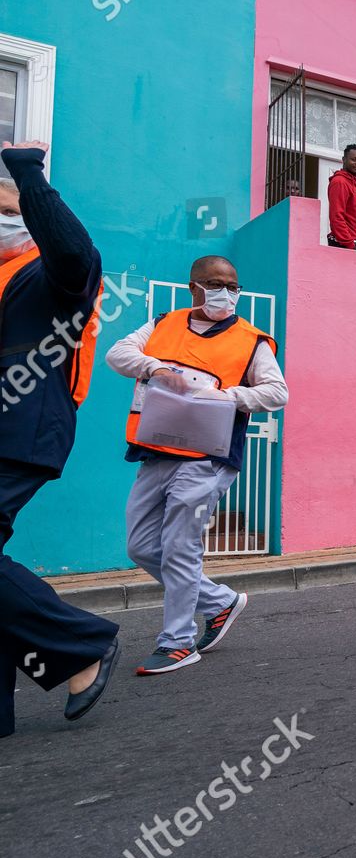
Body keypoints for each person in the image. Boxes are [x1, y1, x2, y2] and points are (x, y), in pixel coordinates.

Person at [105, 256, 288, 675]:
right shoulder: (163, 323)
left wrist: (229, 396)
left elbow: (277, 392)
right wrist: (156, 367)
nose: (225, 292)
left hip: (209, 456)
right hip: (157, 450)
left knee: (180, 546)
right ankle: (220, 602)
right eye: (214, 283)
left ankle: (178, 642)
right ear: (194, 288)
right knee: (140, 546)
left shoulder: (252, 340)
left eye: (232, 285)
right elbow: (118, 354)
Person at [0, 142, 120, 738]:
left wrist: (26, 178)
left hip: (24, 429)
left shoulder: (53, 275)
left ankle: (83, 645)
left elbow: (73, 248)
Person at [326, 144, 356, 250]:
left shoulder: (353, 184)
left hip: (355, 242)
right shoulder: (340, 182)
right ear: (344, 160)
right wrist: (349, 243)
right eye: (354, 159)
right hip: (346, 244)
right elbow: (336, 215)